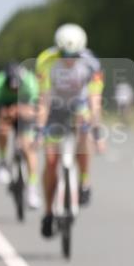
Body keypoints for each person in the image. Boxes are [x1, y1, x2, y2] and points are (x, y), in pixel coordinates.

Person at [35, 24, 105, 238]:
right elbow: (43, 100)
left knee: (84, 129)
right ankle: (48, 212)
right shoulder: (46, 61)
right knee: (51, 161)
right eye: (64, 54)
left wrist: (97, 131)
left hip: (79, 104)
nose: (69, 59)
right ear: (58, 50)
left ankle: (84, 180)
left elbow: (95, 100)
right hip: (55, 107)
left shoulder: (92, 64)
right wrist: (39, 129)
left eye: (74, 55)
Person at [0, 62, 41, 208]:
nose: (14, 90)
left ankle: (32, 188)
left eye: (17, 87)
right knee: (2, 130)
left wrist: (20, 110)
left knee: (28, 148)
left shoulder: (30, 83)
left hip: (25, 109)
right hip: (5, 107)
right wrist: (6, 116)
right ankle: (2, 162)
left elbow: (35, 110)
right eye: (11, 87)